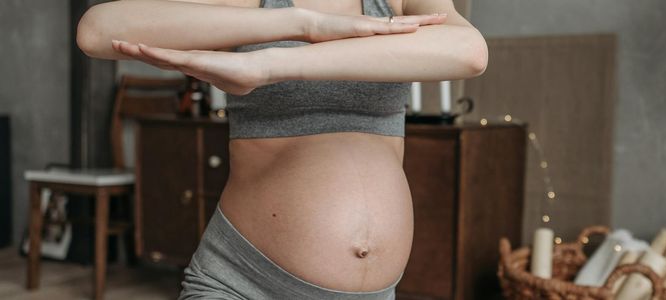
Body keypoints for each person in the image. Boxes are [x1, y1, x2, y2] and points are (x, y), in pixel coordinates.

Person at [77, 0, 487, 298]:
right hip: (243, 284)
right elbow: (97, 30)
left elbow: (469, 51)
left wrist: (269, 66)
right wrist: (301, 23)